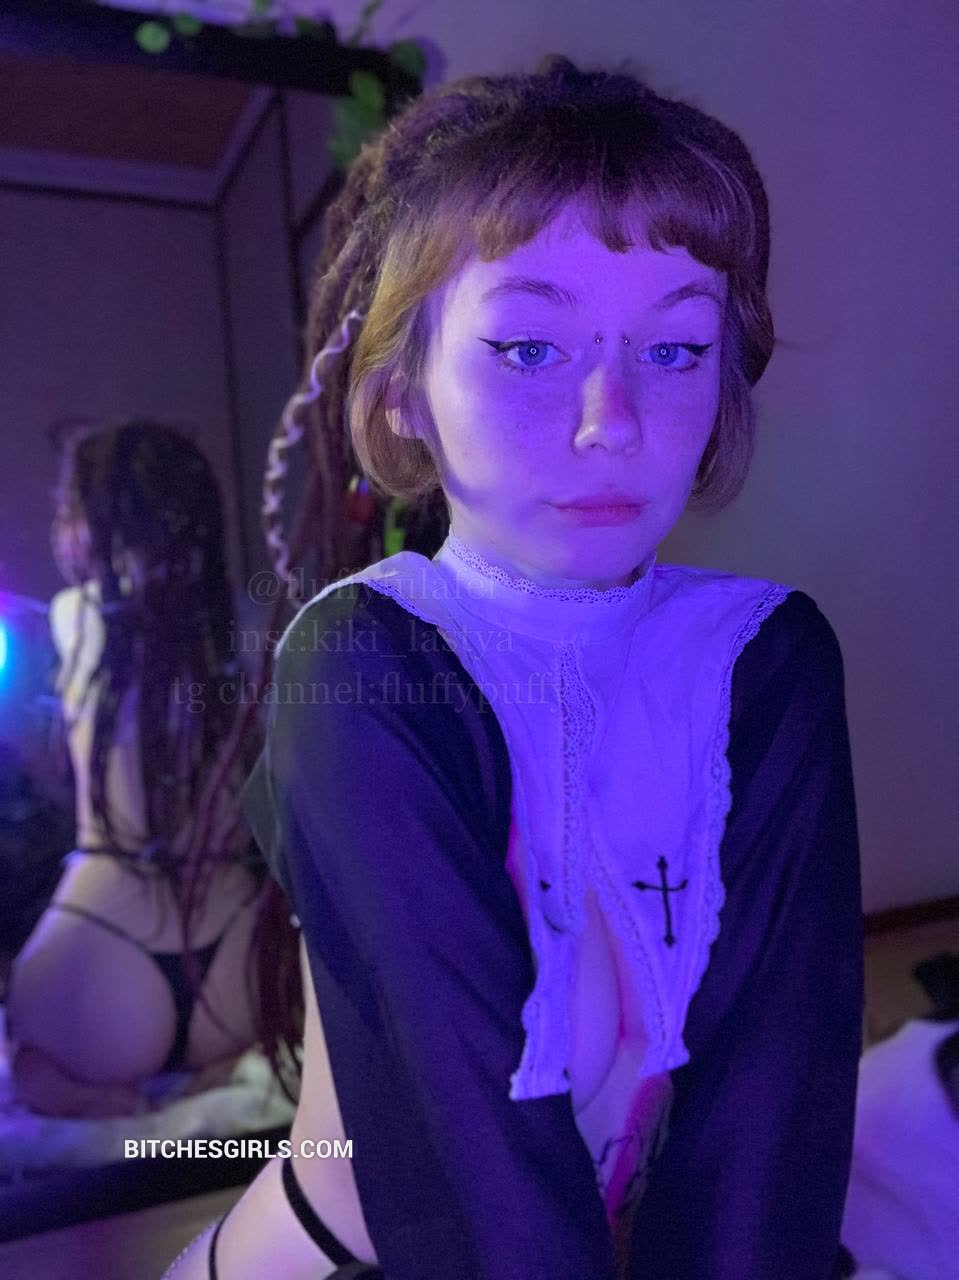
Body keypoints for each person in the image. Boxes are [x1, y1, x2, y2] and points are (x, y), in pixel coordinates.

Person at [162, 53, 864, 1280]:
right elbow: (477, 1180)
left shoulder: (765, 655)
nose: (609, 419)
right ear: (402, 392)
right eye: (529, 348)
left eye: (674, 349)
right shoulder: (361, 662)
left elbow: (772, 1119)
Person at [6, 421, 268, 1118]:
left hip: (104, 958)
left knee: (26, 1068)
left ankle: (102, 1099)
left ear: (95, 522)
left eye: (67, 510)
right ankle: (213, 1073)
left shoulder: (72, 615)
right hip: (236, 963)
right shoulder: (247, 624)